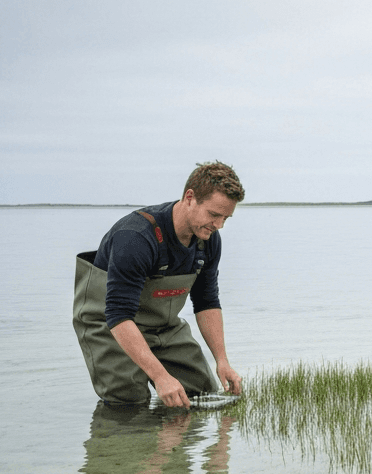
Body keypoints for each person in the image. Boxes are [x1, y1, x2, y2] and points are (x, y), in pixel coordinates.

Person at [72, 161, 245, 407]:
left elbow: (206, 301)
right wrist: (161, 376)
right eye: (214, 214)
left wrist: (222, 360)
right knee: (129, 402)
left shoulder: (208, 239)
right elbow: (118, 313)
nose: (219, 225)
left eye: (226, 217)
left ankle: (173, 442)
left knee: (203, 395)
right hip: (109, 324)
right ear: (190, 197)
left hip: (163, 326)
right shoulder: (136, 237)